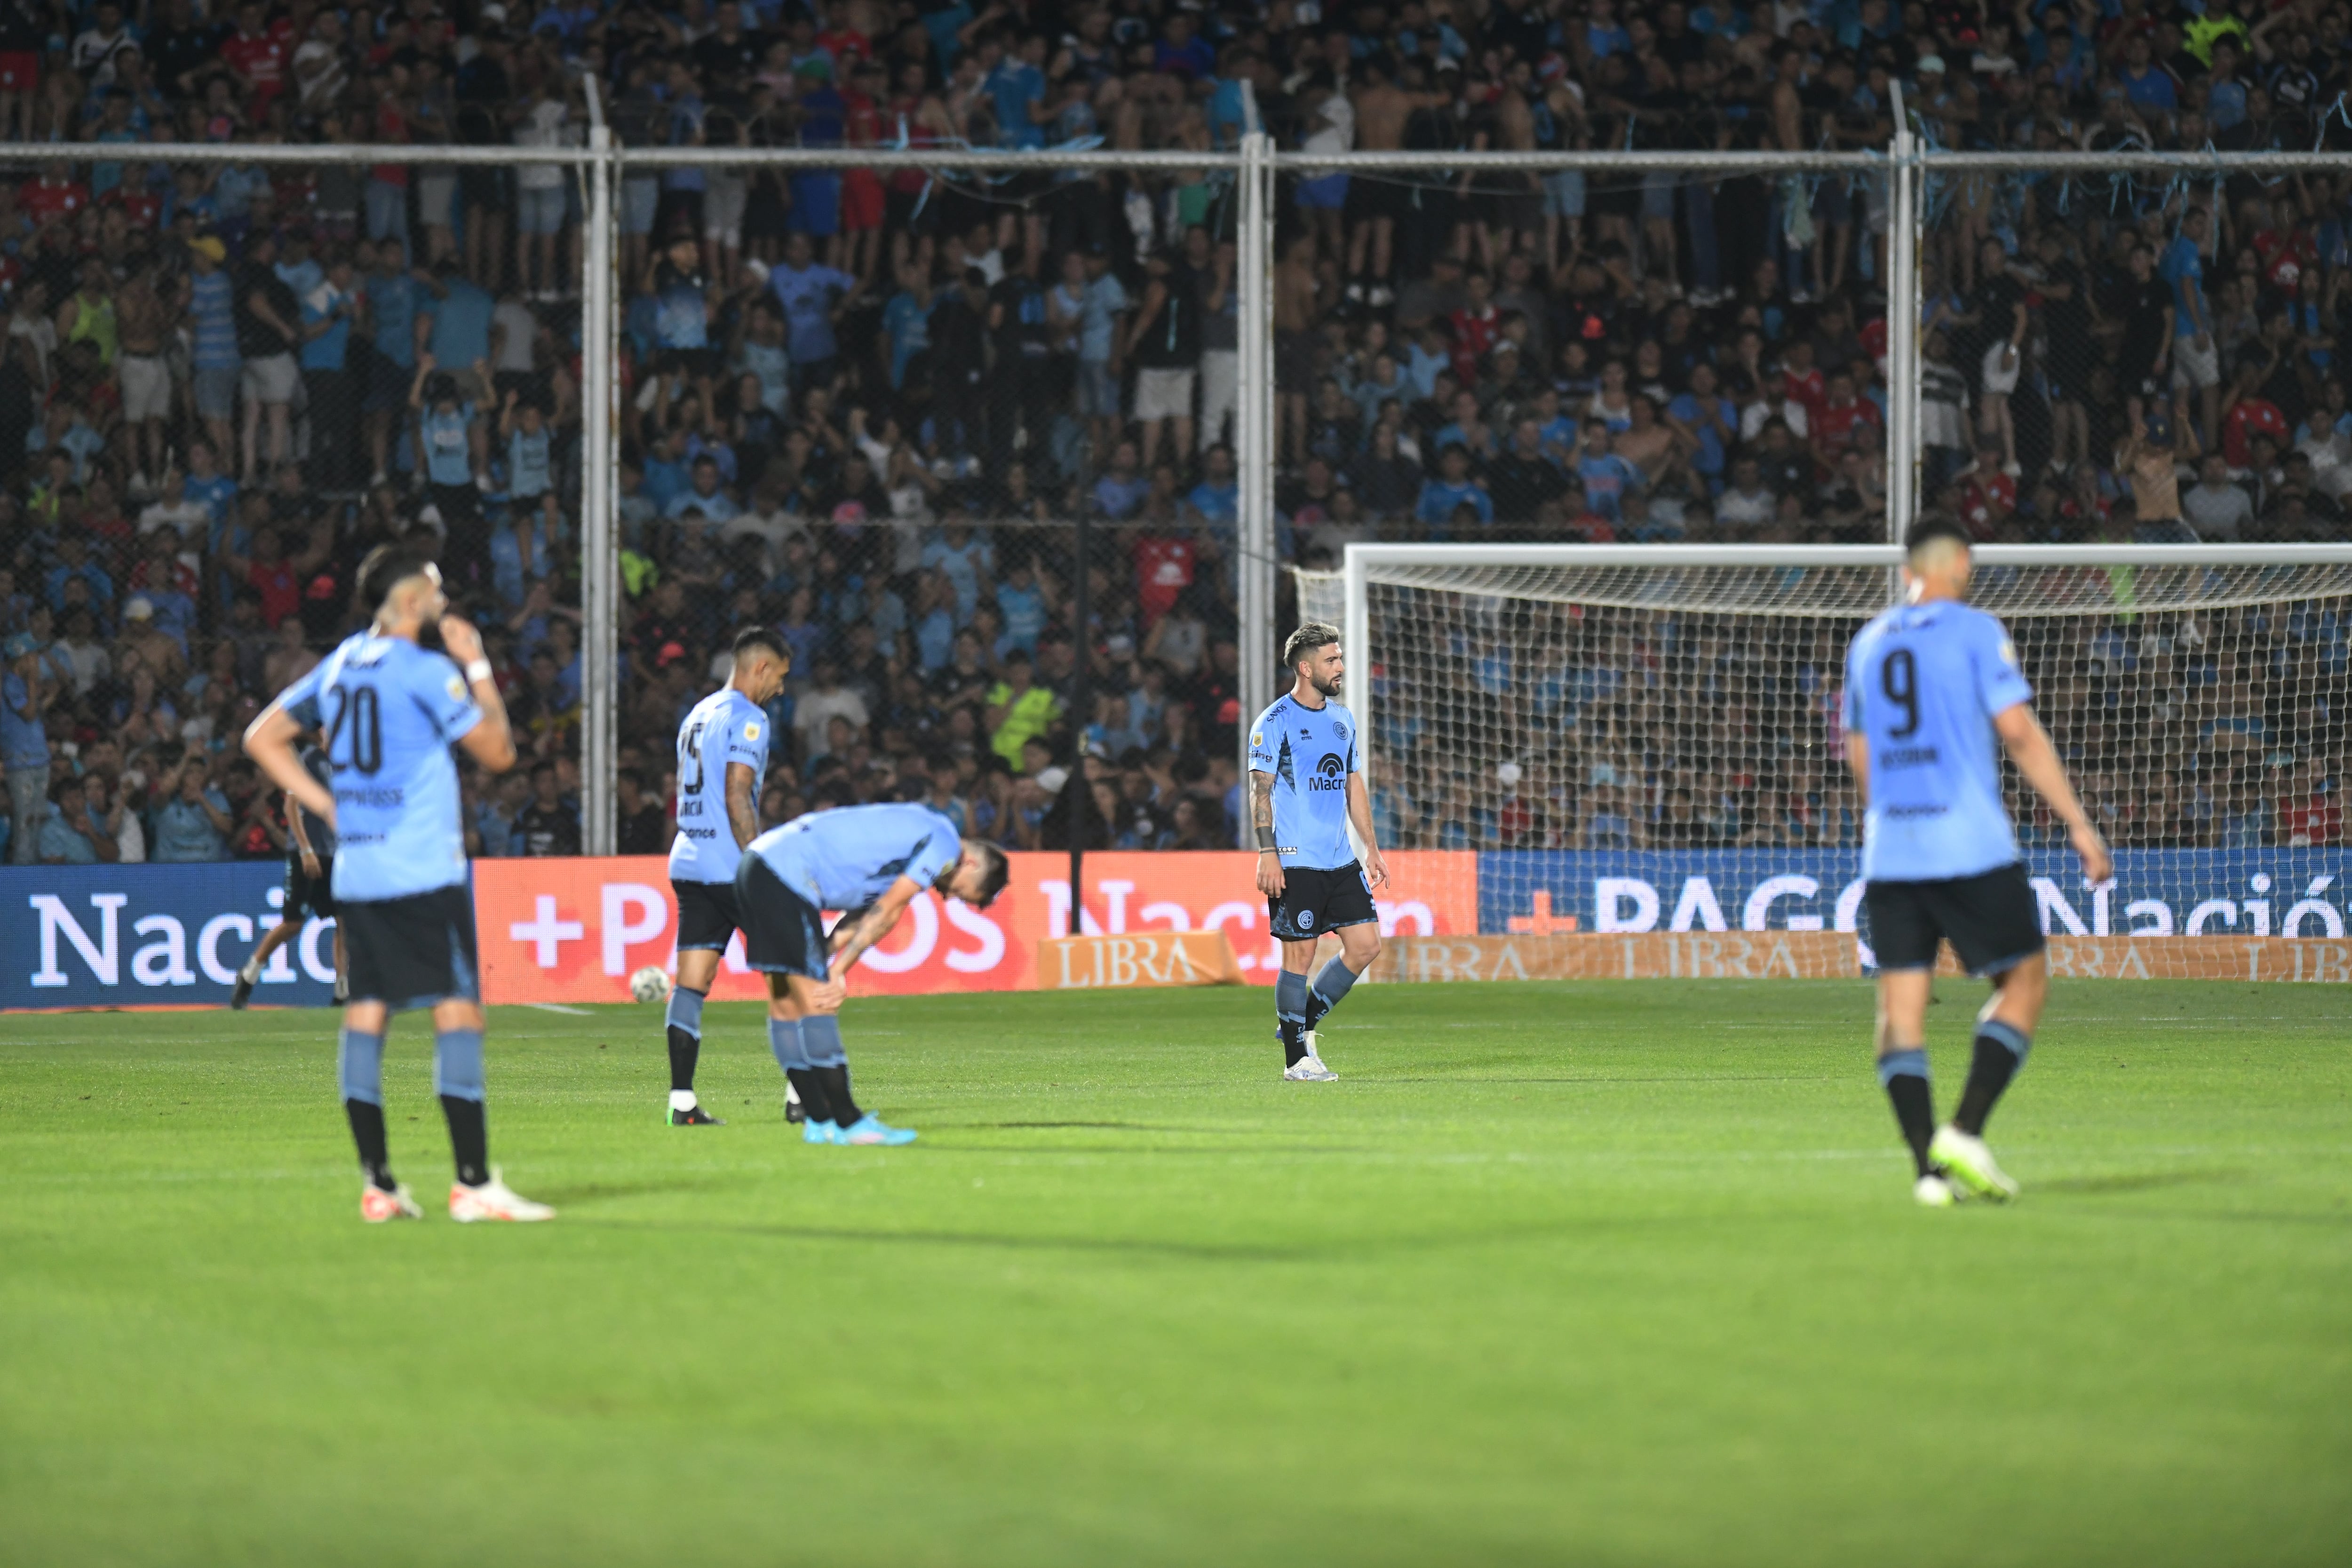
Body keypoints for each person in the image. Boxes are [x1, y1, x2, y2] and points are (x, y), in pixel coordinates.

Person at [245, 547, 551, 1225]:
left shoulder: (343, 662)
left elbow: (262, 737)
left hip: (362, 867)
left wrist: (325, 808)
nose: (444, 605)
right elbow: (499, 753)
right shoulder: (426, 670)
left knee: (368, 1011)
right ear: (410, 602)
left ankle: (378, 1184)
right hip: (421, 868)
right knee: (459, 1009)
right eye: (437, 593)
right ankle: (473, 1185)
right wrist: (476, 664)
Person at [1842, 516, 2112, 1209]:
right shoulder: (1975, 629)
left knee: (1900, 1011)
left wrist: (1890, 818)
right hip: (1968, 845)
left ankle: (1927, 1174)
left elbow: (1861, 752)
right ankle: (1964, 1130)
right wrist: (2078, 823)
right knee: (2024, 981)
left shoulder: (1867, 642)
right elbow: (2018, 731)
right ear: (1960, 563)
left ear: (1908, 569)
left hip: (1892, 850)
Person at [734, 802, 1008, 1144]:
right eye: (961, 891)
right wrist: (837, 971)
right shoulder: (945, 844)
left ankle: (820, 1121)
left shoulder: (909, 846)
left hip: (757, 866)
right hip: (785, 876)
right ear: (971, 862)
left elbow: (864, 917)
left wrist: (827, 957)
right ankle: (849, 1123)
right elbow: (888, 908)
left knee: (785, 1004)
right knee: (818, 1002)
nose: (949, 895)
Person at [1245, 621, 1390, 1082]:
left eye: (1340, 657)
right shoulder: (1275, 722)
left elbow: (1352, 784)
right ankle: (1295, 1061)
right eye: (1331, 660)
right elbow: (1259, 791)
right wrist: (1268, 853)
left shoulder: (1341, 720)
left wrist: (1370, 847)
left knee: (1366, 945)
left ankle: (1298, 1027)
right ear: (1305, 668)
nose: (1341, 667)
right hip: (1295, 859)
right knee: (1299, 960)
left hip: (1339, 859)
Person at [660, 625, 790, 1126]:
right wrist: (755, 861)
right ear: (759, 667)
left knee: (691, 985)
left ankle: (682, 1102)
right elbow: (738, 792)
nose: (780, 687)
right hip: (727, 866)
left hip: (688, 860)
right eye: (778, 675)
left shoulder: (697, 714)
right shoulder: (749, 718)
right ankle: (802, 1095)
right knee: (793, 973)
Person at [230, 732, 347, 1009]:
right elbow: (291, 804)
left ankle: (342, 991)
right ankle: (249, 975)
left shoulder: (343, 765)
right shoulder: (310, 760)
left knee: (345, 920)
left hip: (332, 853)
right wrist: (306, 850)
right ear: (323, 733)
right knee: (293, 923)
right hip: (306, 852)